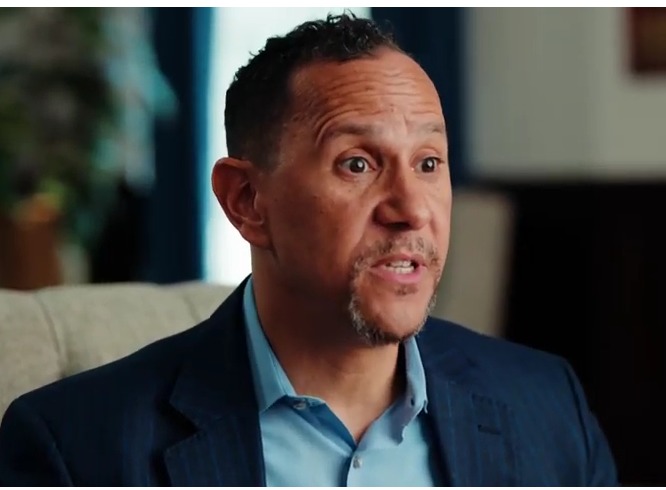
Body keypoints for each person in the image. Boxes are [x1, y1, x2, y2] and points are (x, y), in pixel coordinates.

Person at [0, 13, 617, 486]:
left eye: (429, 163)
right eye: (357, 164)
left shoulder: (545, 405)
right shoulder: (77, 447)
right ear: (247, 200)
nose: (411, 208)